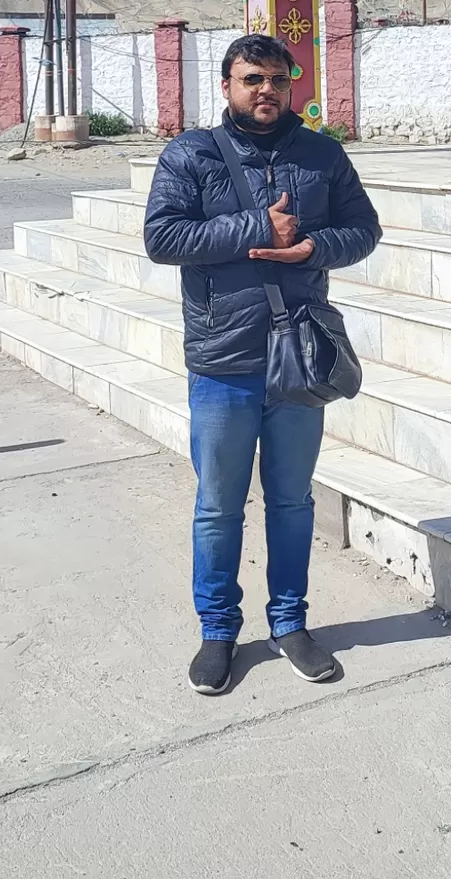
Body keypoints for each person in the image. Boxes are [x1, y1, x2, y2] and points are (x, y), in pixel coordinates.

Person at [144, 34, 381, 695]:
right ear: (227, 86)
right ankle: (218, 632)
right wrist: (258, 231)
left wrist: (309, 246)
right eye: (252, 78)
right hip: (223, 361)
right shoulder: (189, 154)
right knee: (219, 506)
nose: (266, 90)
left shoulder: (321, 155)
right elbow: (162, 237)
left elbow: (363, 231)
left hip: (297, 360)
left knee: (291, 502)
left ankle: (290, 623)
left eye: (277, 78)